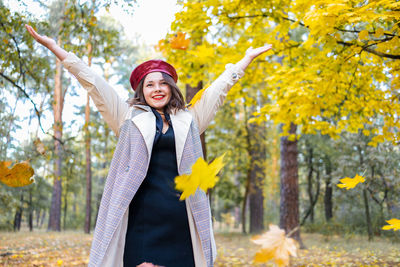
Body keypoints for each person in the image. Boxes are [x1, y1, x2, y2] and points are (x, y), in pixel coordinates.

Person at [25, 24, 272, 267]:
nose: (157, 89)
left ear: (171, 87)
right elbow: (93, 83)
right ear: (142, 91)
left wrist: (245, 60)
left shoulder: (189, 119)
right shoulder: (127, 117)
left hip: (181, 218)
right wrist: (55, 47)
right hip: (141, 219)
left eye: (162, 83)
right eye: (150, 84)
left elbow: (219, 91)